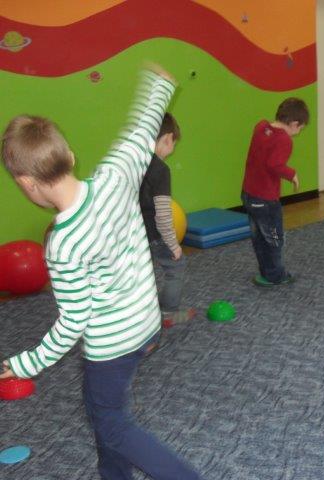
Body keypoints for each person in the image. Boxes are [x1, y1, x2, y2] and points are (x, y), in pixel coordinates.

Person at [0, 66, 202, 480]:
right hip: (145, 323)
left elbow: (73, 321)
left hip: (112, 346)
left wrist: (25, 363)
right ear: (71, 157)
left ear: (27, 183)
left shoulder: (63, 244)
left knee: (113, 425)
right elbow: (141, 131)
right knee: (100, 409)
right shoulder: (115, 175)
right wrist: (160, 85)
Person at [241, 97, 308, 286]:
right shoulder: (284, 139)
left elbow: (265, 157)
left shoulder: (261, 126)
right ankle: (276, 275)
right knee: (274, 238)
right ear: (294, 124)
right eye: (301, 128)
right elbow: (274, 164)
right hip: (265, 200)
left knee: (258, 237)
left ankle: (267, 271)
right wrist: (292, 174)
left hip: (248, 194)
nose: (299, 132)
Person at [140, 113, 196, 327]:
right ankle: (167, 313)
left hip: (131, 233)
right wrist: (173, 245)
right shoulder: (160, 169)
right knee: (176, 266)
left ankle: (140, 316)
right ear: (167, 138)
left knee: (140, 275)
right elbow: (163, 215)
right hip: (153, 233)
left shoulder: (134, 162)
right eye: (173, 143)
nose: (172, 149)